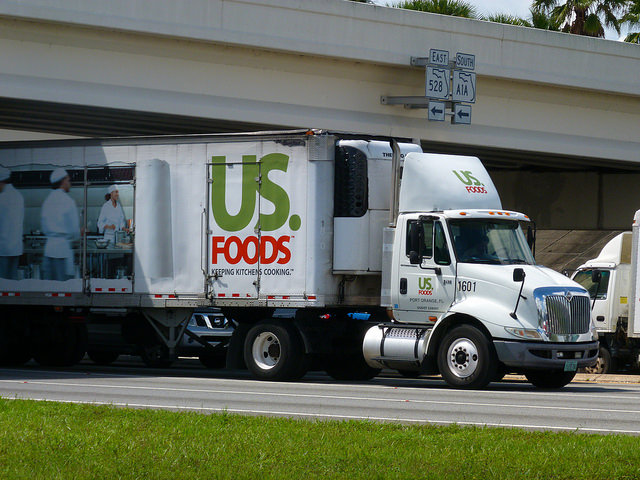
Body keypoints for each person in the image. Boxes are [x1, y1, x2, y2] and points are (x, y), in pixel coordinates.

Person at [41, 168, 81, 281]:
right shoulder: (68, 201)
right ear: (63, 181)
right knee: (62, 289)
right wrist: (80, 232)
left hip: (48, 251)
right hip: (62, 252)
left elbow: (43, 227)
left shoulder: (47, 201)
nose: (69, 183)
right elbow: (74, 231)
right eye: (68, 180)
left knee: (49, 289)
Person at [0, 167, 24, 279]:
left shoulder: (2, 198)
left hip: (3, 249)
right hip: (16, 248)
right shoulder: (18, 196)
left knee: (3, 282)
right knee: (12, 282)